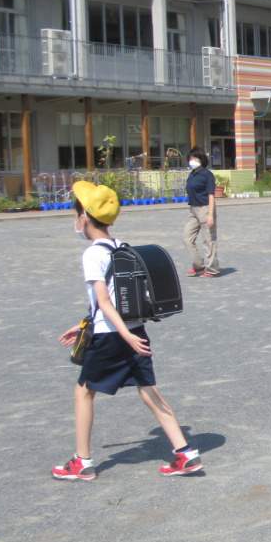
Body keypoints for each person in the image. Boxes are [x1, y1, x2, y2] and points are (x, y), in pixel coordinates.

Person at [53, 181, 203, 480]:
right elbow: (116, 300)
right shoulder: (121, 247)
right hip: (135, 331)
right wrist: (86, 325)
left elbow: (105, 301)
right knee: (150, 392)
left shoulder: (92, 254)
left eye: (76, 213)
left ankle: (82, 462)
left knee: (83, 391)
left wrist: (121, 335)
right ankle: (185, 454)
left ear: (84, 217)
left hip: (113, 335)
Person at [182, 146, 220, 278]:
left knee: (209, 240)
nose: (192, 161)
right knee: (187, 238)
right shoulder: (192, 174)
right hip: (193, 210)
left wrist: (210, 215)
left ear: (202, 159)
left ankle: (213, 270)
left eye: (195, 158)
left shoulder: (207, 174)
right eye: (191, 158)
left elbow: (211, 195)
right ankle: (198, 265)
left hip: (205, 208)